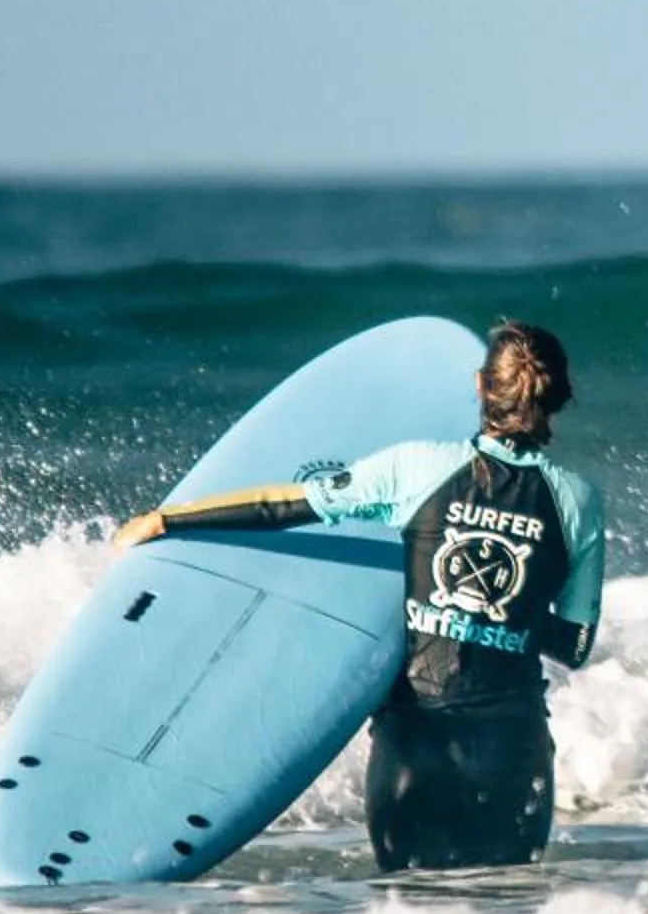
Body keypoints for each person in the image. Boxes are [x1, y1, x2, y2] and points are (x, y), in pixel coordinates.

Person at [114, 320, 604, 872]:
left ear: (481, 386)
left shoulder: (416, 467)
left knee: (406, 910)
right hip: (515, 748)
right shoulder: (578, 501)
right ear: (559, 396)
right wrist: (507, 615)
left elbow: (286, 507)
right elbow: (576, 646)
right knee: (506, 913)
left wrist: (168, 519)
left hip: (418, 737)